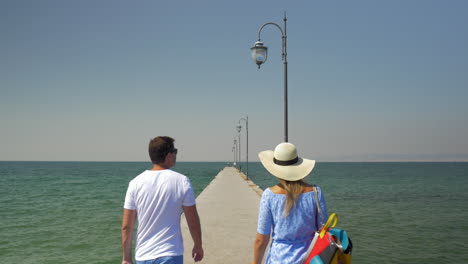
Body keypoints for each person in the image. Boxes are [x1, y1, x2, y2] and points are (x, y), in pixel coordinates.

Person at [122, 136, 203, 264]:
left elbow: (127, 226)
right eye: (175, 151)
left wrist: (126, 258)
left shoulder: (135, 183)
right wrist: (198, 245)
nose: (176, 155)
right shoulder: (182, 181)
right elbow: (192, 220)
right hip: (171, 254)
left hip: (144, 256)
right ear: (168, 155)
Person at [252, 142, 328, 264]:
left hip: (279, 259)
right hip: (310, 258)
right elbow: (324, 230)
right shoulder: (315, 192)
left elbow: (261, 240)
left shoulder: (269, 195)